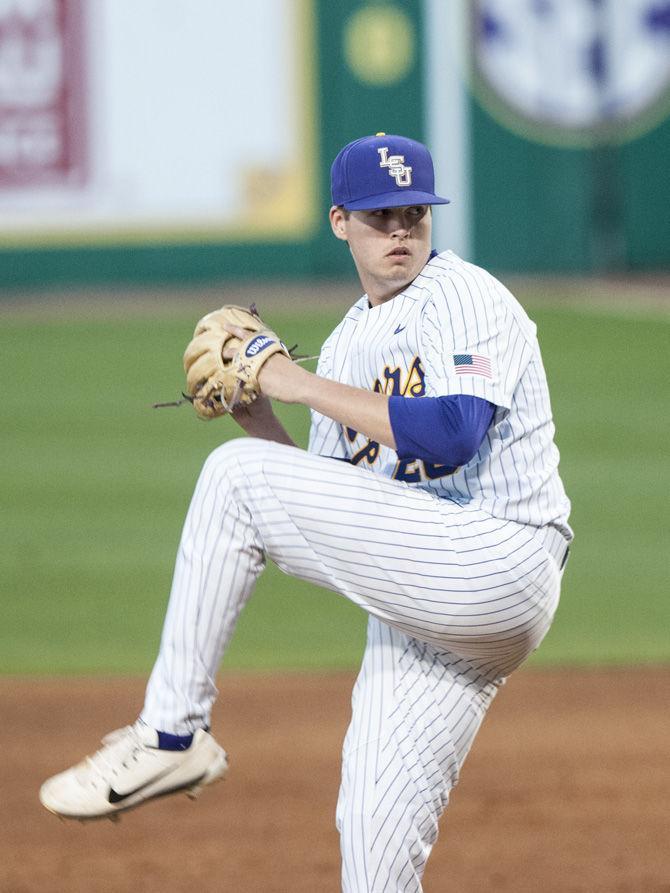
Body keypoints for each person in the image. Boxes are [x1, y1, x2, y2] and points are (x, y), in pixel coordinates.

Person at [40, 133, 572, 892]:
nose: (400, 231)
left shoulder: (464, 293)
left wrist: (291, 379)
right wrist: (255, 413)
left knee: (233, 479)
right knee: (372, 848)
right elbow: (327, 498)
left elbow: (454, 433)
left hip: (498, 554)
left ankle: (170, 732)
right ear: (338, 220)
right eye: (380, 215)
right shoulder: (351, 341)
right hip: (422, 602)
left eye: (414, 213)